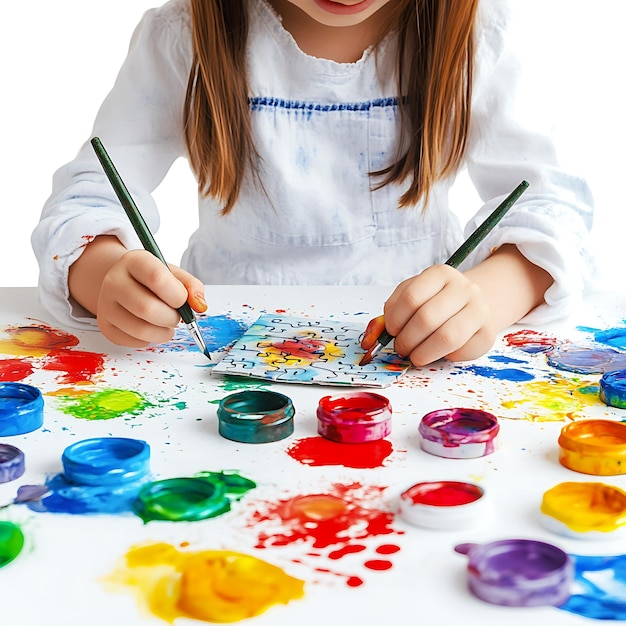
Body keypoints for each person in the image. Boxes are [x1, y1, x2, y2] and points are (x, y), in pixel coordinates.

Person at [32, 0, 593, 367]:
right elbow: (90, 196)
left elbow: (548, 204)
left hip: (417, 364)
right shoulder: (181, 35)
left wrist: (487, 300)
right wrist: (105, 277)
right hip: (217, 360)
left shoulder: (478, 32)